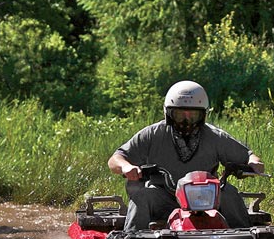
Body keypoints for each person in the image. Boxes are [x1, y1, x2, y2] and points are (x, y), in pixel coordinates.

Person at [108, 81, 264, 231]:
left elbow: (249, 156)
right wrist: (126, 166)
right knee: (141, 196)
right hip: (164, 195)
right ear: (168, 113)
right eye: (180, 114)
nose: (186, 120)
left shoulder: (215, 136)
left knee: (229, 193)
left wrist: (254, 163)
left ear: (203, 115)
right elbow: (116, 159)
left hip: (206, 199)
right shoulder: (153, 134)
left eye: (193, 115)